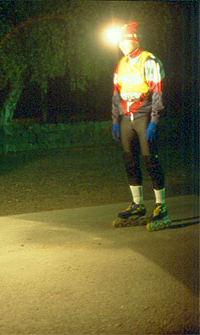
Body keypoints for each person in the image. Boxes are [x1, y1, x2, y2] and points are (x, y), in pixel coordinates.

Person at [110, 21, 167, 223]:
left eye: (123, 41)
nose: (120, 45)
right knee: (130, 161)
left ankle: (160, 205)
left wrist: (154, 120)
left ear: (134, 40)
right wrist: (115, 120)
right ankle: (138, 204)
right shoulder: (121, 64)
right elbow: (116, 94)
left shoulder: (149, 60)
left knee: (150, 159)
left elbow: (157, 92)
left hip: (144, 117)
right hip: (127, 118)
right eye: (118, 42)